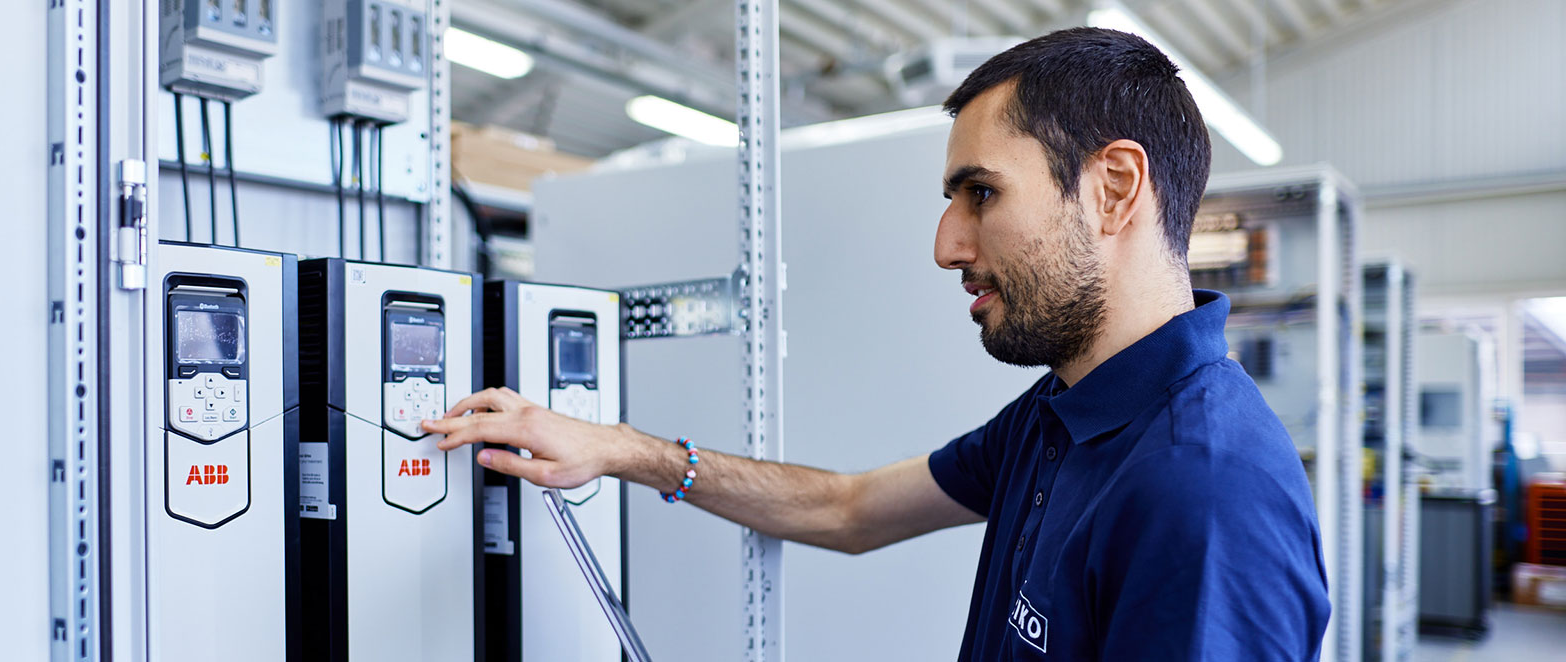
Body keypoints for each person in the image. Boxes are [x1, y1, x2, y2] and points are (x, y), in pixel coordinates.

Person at [422, 27, 1329, 660]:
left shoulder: (1204, 489)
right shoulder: (1063, 414)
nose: (947, 246)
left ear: (1113, 187)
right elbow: (849, 510)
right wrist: (615, 448)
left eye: (981, 193)